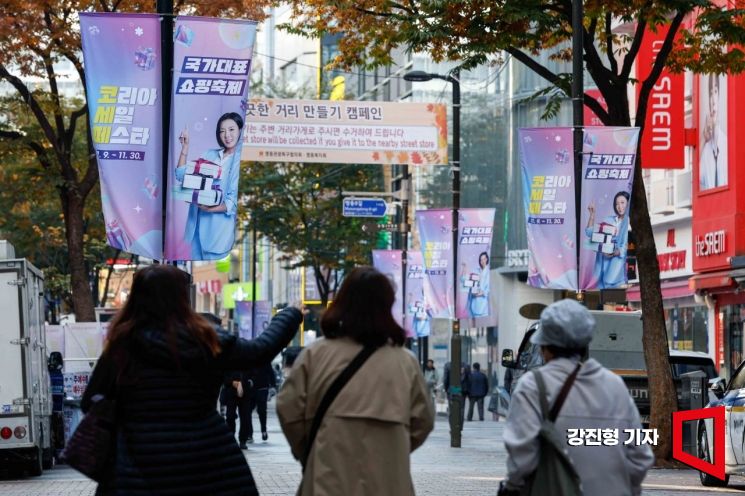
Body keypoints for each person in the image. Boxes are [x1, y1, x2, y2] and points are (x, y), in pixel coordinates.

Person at [81, 265, 302, 496]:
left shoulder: (122, 345)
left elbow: (90, 401)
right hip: (208, 460)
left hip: (137, 466)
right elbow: (260, 350)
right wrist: (290, 313)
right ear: (182, 298)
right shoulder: (205, 340)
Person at [277, 267, 434, 496]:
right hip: (389, 483)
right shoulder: (405, 363)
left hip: (325, 479)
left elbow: (288, 409)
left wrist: (310, 450)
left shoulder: (315, 355)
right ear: (387, 307)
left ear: (342, 302)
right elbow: (424, 421)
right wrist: (394, 446)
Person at [499, 299, 654, 496]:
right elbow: (640, 456)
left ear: (544, 347)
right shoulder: (614, 386)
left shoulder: (533, 386)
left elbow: (522, 458)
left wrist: (511, 487)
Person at [175, 112, 243, 260]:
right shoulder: (209, 154)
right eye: (222, 131)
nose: (227, 135)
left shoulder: (240, 161)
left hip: (217, 235)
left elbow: (233, 202)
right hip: (194, 231)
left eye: (231, 129)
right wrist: (185, 148)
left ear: (240, 131)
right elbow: (181, 176)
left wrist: (210, 209)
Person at [585, 191, 630, 289]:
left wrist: (615, 252)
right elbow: (589, 233)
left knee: (617, 301)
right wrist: (592, 214)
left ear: (628, 203)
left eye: (622, 203)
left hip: (618, 276)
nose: (619, 206)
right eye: (617, 204)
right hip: (601, 274)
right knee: (602, 303)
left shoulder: (630, 222)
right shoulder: (609, 220)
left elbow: (626, 246)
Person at [700, 73, 728, 190]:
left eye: (716, 92)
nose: (713, 100)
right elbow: (696, 178)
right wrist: (703, 140)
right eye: (710, 93)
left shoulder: (727, 146)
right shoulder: (706, 150)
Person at [245, 362, 277, 443]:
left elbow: (271, 373)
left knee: (262, 411)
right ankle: (249, 434)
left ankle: (263, 431)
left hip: (262, 389)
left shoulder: (265, 360)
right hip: (250, 390)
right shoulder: (249, 358)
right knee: (247, 411)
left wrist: (273, 386)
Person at [460, 252, 491, 320]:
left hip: (482, 308)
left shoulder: (489, 273)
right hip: (472, 307)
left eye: (484, 259)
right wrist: (465, 267)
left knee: (481, 326)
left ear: (487, 259)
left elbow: (488, 290)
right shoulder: (476, 271)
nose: (482, 261)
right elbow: (463, 280)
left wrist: (480, 293)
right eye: (481, 260)